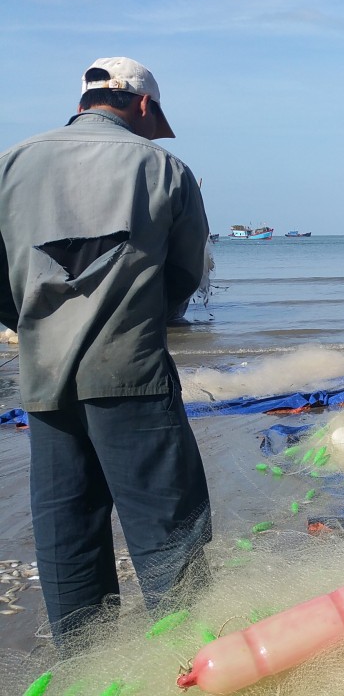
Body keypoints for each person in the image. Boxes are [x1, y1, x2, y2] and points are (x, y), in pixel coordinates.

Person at [0, 57, 212, 646]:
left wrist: (38, 322)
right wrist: (138, 317)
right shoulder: (164, 168)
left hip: (43, 378)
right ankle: (187, 660)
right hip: (131, 375)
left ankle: (84, 668)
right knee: (170, 530)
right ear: (143, 106)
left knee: (68, 532)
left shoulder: (11, 163)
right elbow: (185, 272)